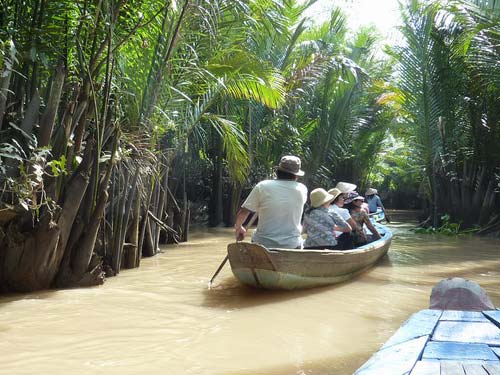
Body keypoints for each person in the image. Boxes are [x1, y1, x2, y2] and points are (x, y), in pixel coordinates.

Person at [233, 155, 308, 248]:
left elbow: (243, 213)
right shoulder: (302, 189)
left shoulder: (262, 186)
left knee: (255, 234)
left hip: (262, 244)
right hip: (291, 244)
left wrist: (239, 227)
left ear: (278, 171)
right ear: (296, 175)